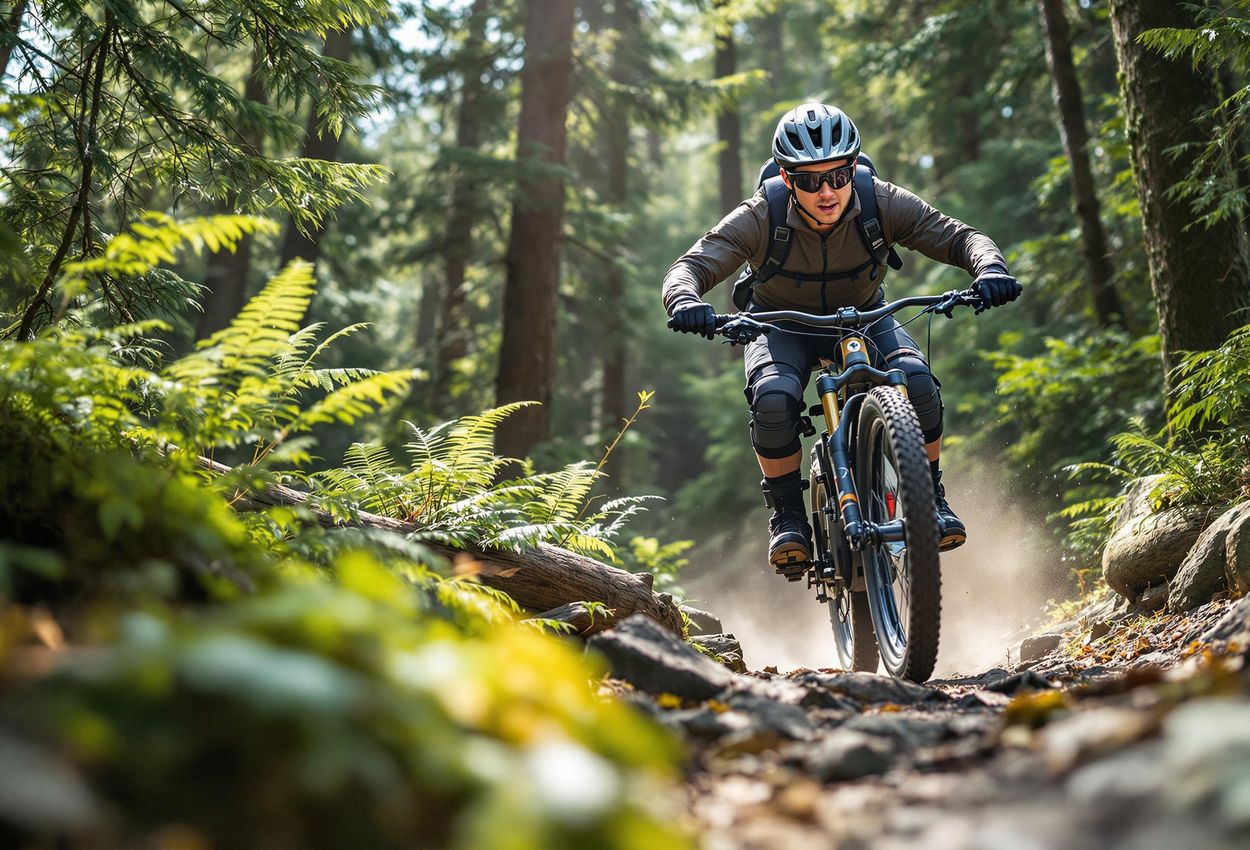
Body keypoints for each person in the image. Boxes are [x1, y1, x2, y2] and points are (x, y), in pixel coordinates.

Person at [663, 102, 1021, 574]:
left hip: (864, 316)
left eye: (838, 174)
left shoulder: (881, 202)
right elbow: (689, 267)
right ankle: (788, 515)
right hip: (778, 325)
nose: (827, 190)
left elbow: (959, 237)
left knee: (916, 384)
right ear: (788, 179)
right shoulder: (760, 216)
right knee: (773, 400)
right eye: (810, 180)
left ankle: (929, 492)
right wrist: (685, 302)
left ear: (855, 166)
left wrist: (990, 268)